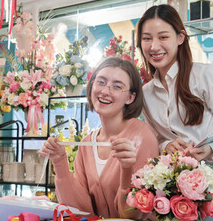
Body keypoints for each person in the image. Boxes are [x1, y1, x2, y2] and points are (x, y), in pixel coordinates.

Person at [136, 4, 213, 221]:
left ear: (180, 38)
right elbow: (155, 138)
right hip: (175, 176)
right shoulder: (145, 93)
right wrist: (167, 145)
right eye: (147, 39)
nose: (154, 46)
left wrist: (210, 149)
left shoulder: (204, 75)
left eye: (163, 37)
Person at [39, 57, 159, 219]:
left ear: (130, 97)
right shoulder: (87, 142)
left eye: (117, 86)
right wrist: (59, 161)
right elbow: (79, 209)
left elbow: (133, 215)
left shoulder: (142, 137)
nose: (105, 91)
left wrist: (126, 168)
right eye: (100, 82)